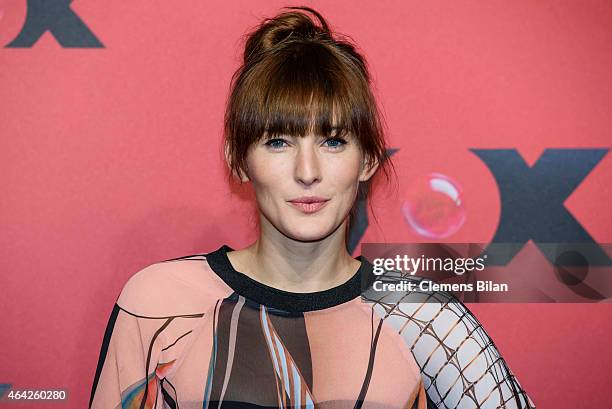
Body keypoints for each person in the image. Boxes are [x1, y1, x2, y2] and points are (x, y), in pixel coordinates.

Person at [89, 6, 536, 408]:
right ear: (238, 160)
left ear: (368, 160)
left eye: (334, 140)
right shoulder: (159, 303)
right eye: (279, 141)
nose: (308, 170)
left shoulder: (422, 317)